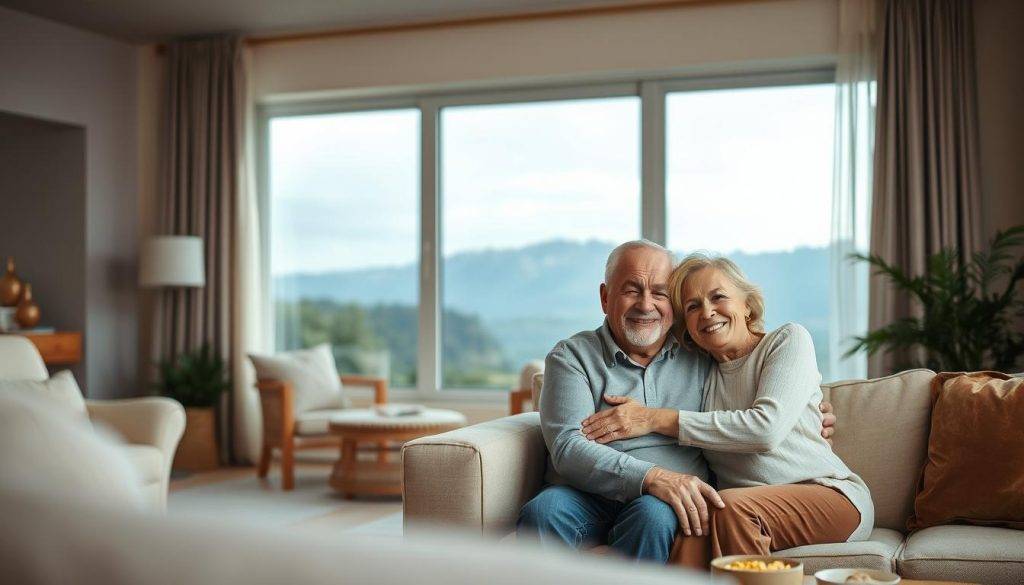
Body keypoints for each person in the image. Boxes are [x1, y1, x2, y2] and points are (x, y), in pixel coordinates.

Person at [516, 241, 836, 563]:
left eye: (659, 293)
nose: (646, 305)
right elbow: (568, 447)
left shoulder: (700, 350)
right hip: (586, 494)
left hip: (664, 504)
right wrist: (651, 477)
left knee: (653, 517)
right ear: (604, 297)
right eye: (631, 290)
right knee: (543, 512)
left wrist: (811, 412)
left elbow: (752, 369)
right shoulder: (572, 357)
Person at [579, 252, 873, 561]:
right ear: (686, 325)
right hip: (743, 509)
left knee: (730, 507)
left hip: (829, 496)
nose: (707, 312)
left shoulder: (786, 341)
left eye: (718, 297)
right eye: (693, 306)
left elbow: (765, 430)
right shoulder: (700, 375)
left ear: (746, 304)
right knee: (690, 529)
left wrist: (654, 418)